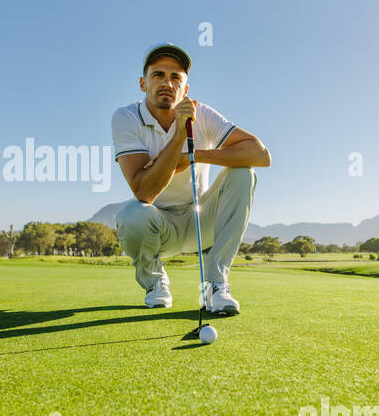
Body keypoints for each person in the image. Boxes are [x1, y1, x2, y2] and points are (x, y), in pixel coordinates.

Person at [111, 43, 270, 313]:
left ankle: (215, 285)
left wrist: (194, 157)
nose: (167, 83)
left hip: (201, 222)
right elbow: (145, 192)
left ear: (185, 89)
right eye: (158, 75)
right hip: (159, 228)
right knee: (131, 214)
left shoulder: (202, 113)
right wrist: (180, 136)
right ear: (142, 83)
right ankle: (155, 282)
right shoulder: (126, 117)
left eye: (176, 77)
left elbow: (260, 155)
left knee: (244, 173)